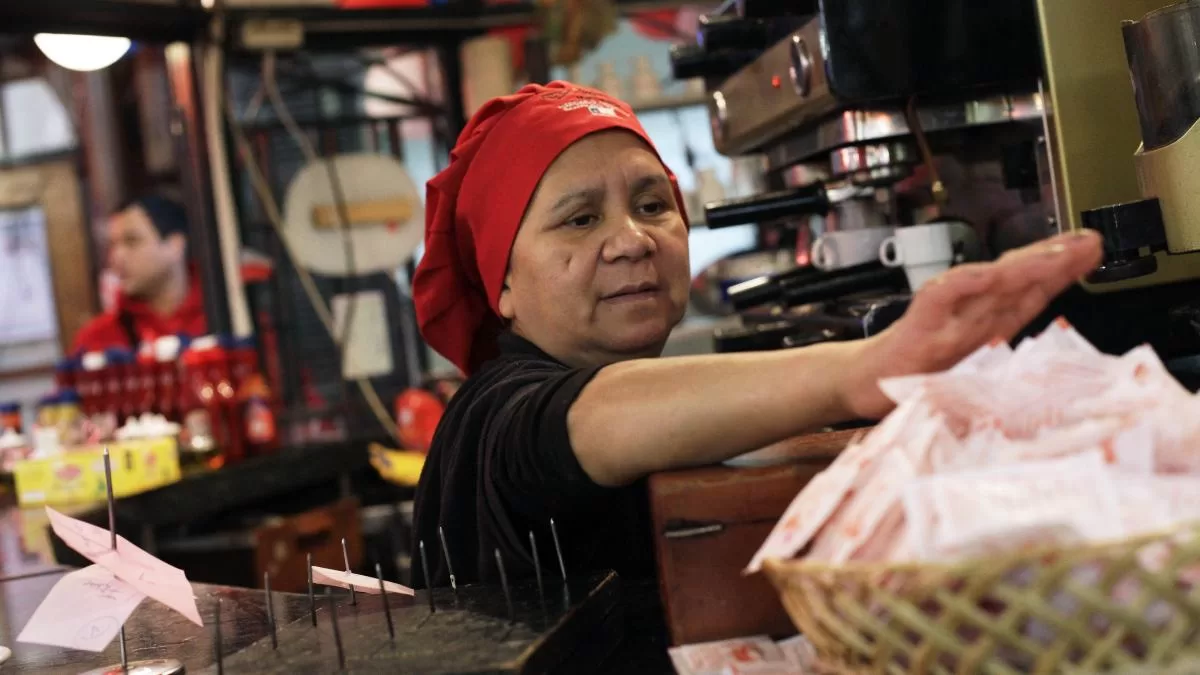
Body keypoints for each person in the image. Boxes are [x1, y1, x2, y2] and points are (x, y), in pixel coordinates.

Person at [409, 82, 1103, 588]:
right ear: (501, 282)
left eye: (653, 206)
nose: (632, 240)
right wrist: (865, 366)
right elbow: (589, 417)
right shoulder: (491, 418)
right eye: (579, 219)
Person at [72, 193, 206, 353]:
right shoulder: (97, 341)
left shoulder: (224, 313)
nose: (116, 257)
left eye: (132, 241)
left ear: (175, 245)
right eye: (112, 245)